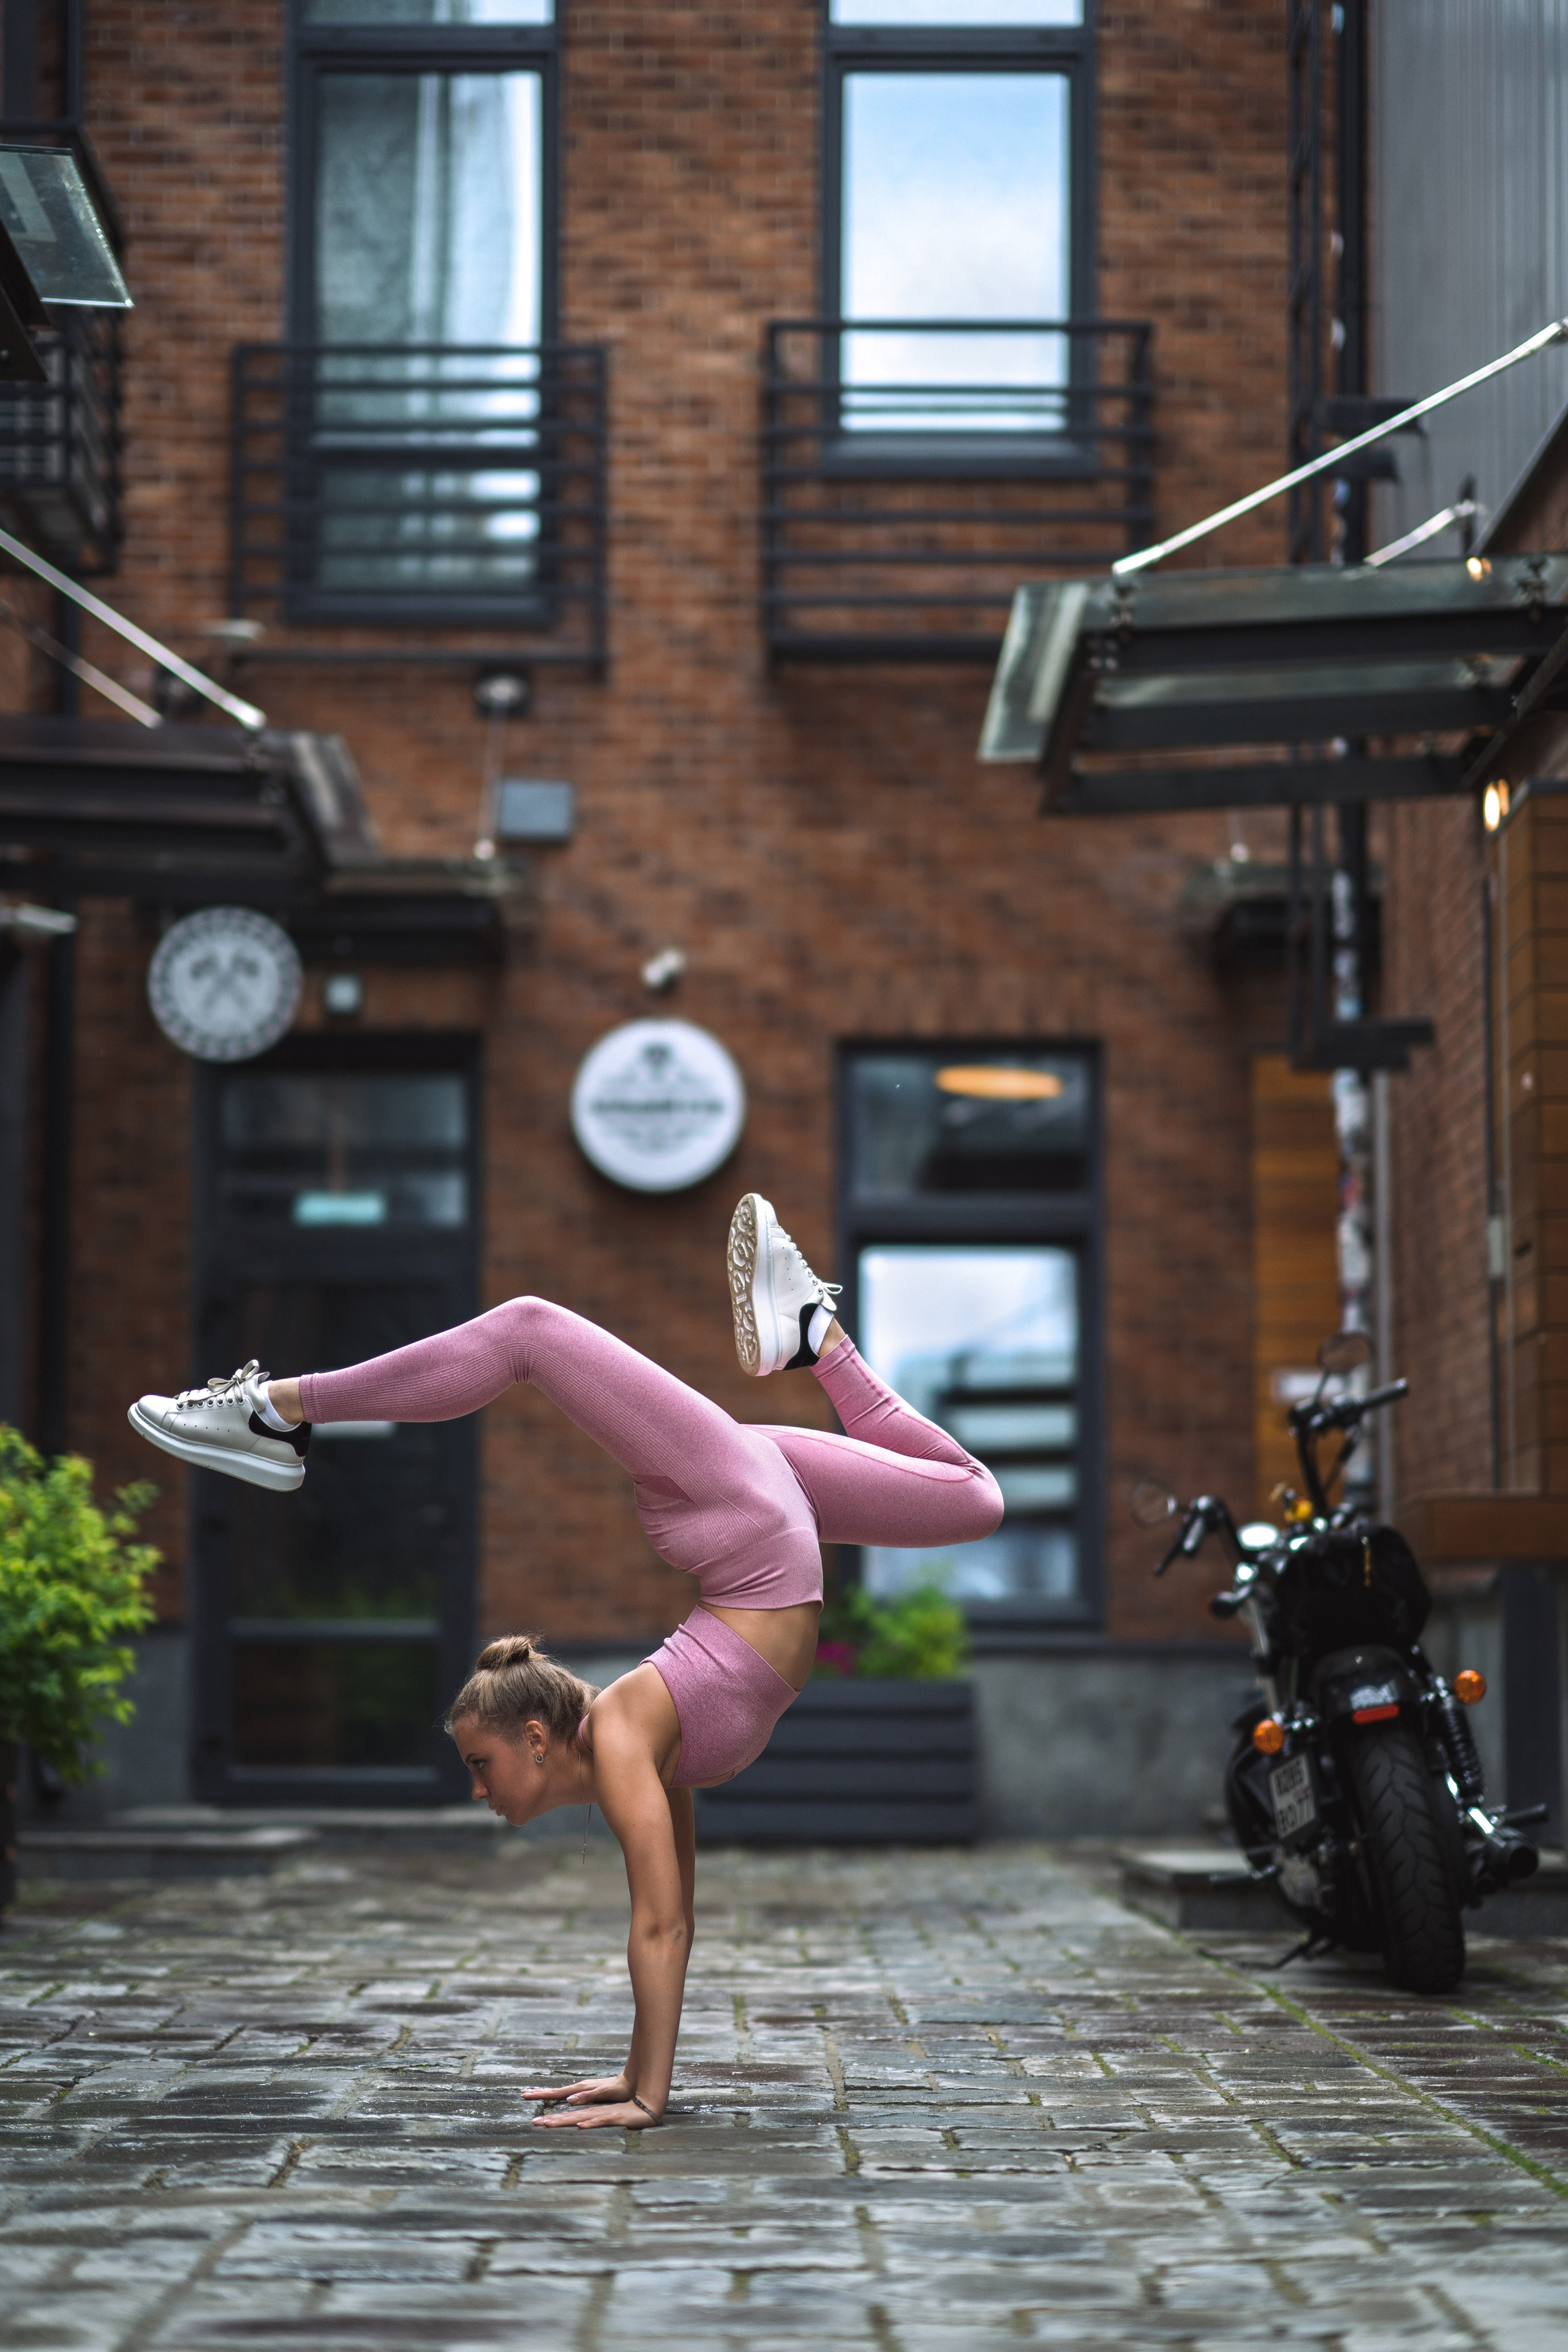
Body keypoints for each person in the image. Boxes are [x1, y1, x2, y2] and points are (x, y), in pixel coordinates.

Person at [128, 1193, 1003, 2129]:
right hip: (749, 1517)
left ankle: (273, 1409)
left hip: (750, 1519)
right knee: (968, 1500)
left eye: (480, 1766)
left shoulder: (628, 1732)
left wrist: (649, 2101)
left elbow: (659, 1926)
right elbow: (675, 1922)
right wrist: (634, 2082)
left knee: (532, 1329)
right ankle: (814, 1334)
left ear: (536, 1738)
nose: (477, 1791)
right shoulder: (644, 1739)